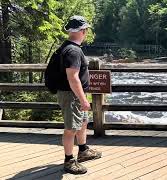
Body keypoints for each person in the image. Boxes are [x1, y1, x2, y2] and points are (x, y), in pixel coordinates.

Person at [56, 15, 102, 174]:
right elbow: (73, 77)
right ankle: (69, 161)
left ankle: (83, 151)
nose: (87, 32)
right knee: (71, 129)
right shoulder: (73, 51)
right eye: (86, 30)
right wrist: (83, 100)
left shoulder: (68, 47)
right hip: (72, 96)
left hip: (74, 95)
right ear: (82, 31)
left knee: (81, 123)